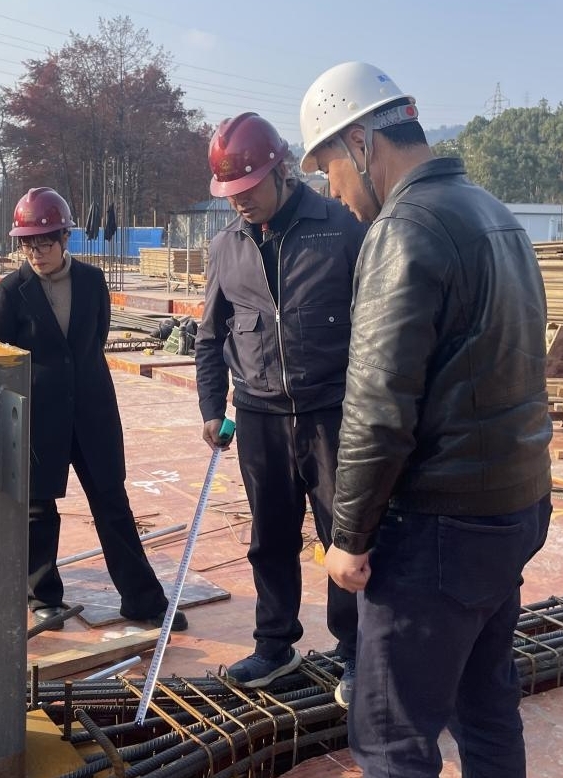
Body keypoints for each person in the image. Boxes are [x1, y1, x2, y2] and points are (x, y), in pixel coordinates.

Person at [299, 62, 552, 776]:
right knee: (486, 708)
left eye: (329, 169)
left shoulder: (405, 228)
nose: (334, 194)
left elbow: (379, 405)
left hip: (438, 532)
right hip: (511, 510)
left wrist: (348, 538)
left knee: (391, 740)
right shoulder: (493, 213)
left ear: (360, 142)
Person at [194, 112, 367, 691]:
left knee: (344, 533)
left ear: (281, 171)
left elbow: (377, 324)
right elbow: (210, 336)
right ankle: (274, 646)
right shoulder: (226, 246)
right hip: (259, 417)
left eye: (248, 186)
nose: (239, 200)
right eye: (230, 191)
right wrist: (211, 408)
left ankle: (356, 649)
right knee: (269, 536)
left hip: (331, 415)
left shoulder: (341, 227)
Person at [0, 187, 186, 633]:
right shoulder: (11, 292)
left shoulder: (93, 282)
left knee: (112, 504)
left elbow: (94, 340)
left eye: (45, 243)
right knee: (38, 510)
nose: (36, 253)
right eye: (28, 244)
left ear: (65, 238)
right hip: (38, 419)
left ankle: (143, 599)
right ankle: (44, 598)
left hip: (93, 413)